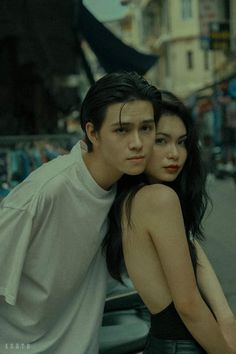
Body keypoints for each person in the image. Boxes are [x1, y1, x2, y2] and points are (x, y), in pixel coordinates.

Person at [0, 71, 162, 354]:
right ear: (92, 132)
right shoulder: (44, 193)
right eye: (121, 130)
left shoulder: (126, 188)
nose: (137, 143)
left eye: (146, 128)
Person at [104, 91, 236, 354]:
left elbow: (190, 247)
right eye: (161, 141)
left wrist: (226, 318)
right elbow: (188, 306)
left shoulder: (132, 197)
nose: (175, 153)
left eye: (182, 142)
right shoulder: (158, 199)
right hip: (185, 345)